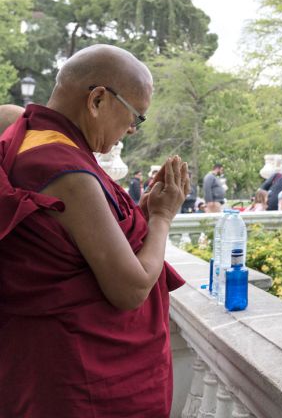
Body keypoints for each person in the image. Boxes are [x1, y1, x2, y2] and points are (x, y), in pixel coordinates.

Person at [0, 44, 190, 417]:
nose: (133, 129)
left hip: (45, 361)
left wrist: (140, 213)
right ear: (98, 100)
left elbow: (81, 240)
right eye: (136, 115)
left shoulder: (35, 139)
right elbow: (130, 288)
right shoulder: (64, 169)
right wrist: (162, 218)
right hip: (81, 379)